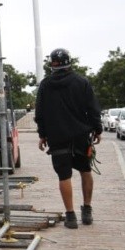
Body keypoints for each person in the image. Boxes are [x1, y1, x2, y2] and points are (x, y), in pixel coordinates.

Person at [35, 48, 102, 229]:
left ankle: (70, 215)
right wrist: (97, 129)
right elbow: (93, 109)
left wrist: (42, 134)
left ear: (52, 66)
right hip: (81, 136)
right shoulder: (82, 82)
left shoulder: (45, 85)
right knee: (85, 171)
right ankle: (87, 210)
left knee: (64, 176)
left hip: (57, 137)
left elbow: (39, 113)